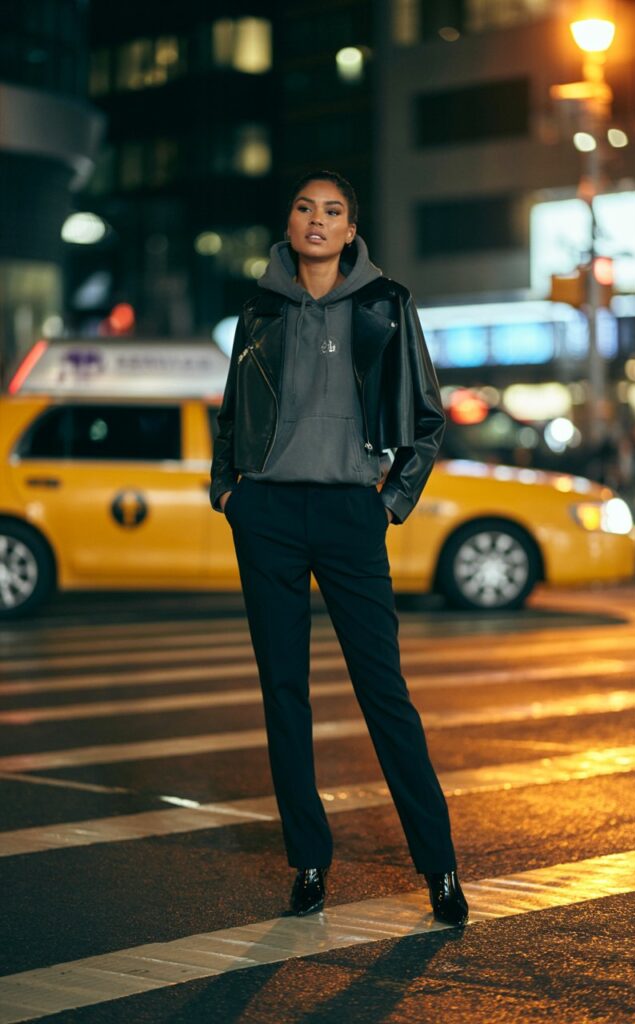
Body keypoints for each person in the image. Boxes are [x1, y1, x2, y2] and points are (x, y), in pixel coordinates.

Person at [210, 170, 468, 927]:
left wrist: (390, 504)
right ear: (288, 224)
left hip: (353, 515)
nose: (316, 221)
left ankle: (440, 866)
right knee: (284, 694)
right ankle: (310, 862)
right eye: (304, 208)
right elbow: (232, 412)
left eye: (332, 212)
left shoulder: (385, 303)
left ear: (350, 230)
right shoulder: (259, 306)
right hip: (269, 514)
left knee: (384, 695)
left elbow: (426, 418)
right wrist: (230, 491)